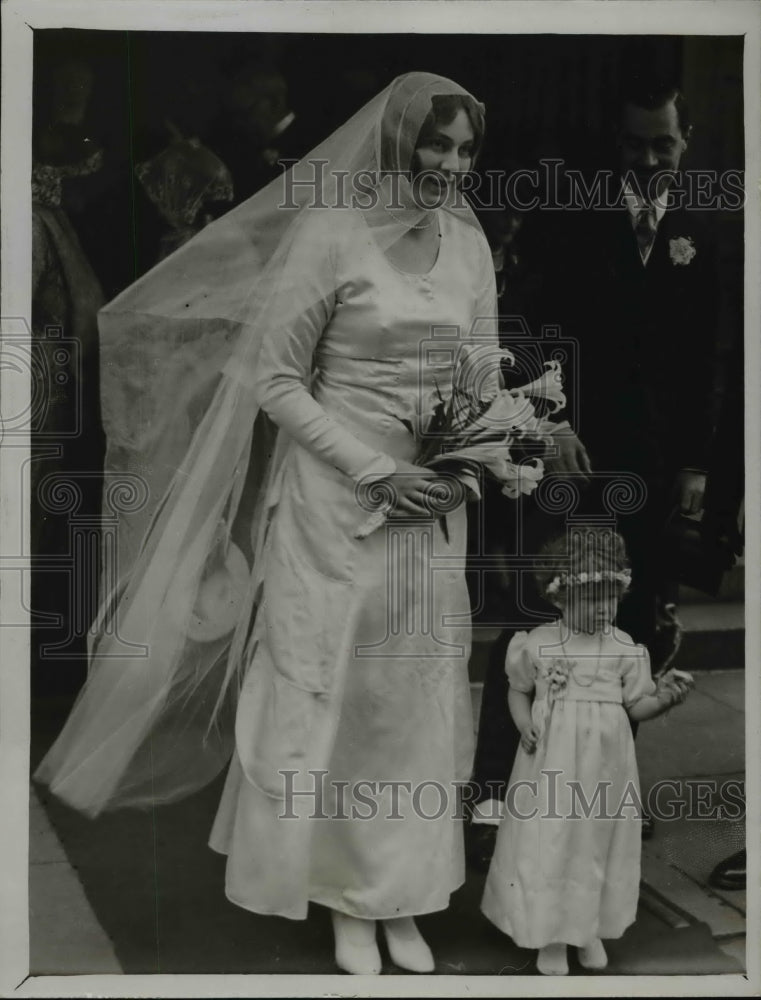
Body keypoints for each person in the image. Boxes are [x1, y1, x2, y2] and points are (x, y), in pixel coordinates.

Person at [35, 72, 532, 975]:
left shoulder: (466, 244)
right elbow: (273, 379)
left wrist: (477, 458)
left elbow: (481, 372)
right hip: (334, 497)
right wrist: (374, 468)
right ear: (395, 142)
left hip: (429, 504)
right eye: (435, 143)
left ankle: (402, 893)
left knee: (408, 693)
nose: (449, 165)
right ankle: (338, 890)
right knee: (329, 684)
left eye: (464, 150)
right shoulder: (332, 233)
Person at [469, 79, 723, 849]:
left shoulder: (705, 227)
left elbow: (711, 355)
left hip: (652, 468)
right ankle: (492, 796)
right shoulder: (568, 218)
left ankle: (604, 795)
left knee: (633, 626)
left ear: (684, 141)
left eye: (663, 144)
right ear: (614, 145)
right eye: (634, 144)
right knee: (538, 618)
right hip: (572, 459)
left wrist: (694, 463)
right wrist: (553, 420)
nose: (649, 159)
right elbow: (521, 327)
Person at [480, 527, 693, 975]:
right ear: (559, 598)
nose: (603, 609)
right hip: (549, 767)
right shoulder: (537, 643)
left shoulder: (624, 650)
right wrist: (523, 723)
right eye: (590, 598)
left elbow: (637, 704)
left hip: (604, 769)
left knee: (595, 844)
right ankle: (548, 934)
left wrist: (665, 698)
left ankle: (588, 927)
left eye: (611, 598)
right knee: (549, 842)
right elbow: (517, 691)